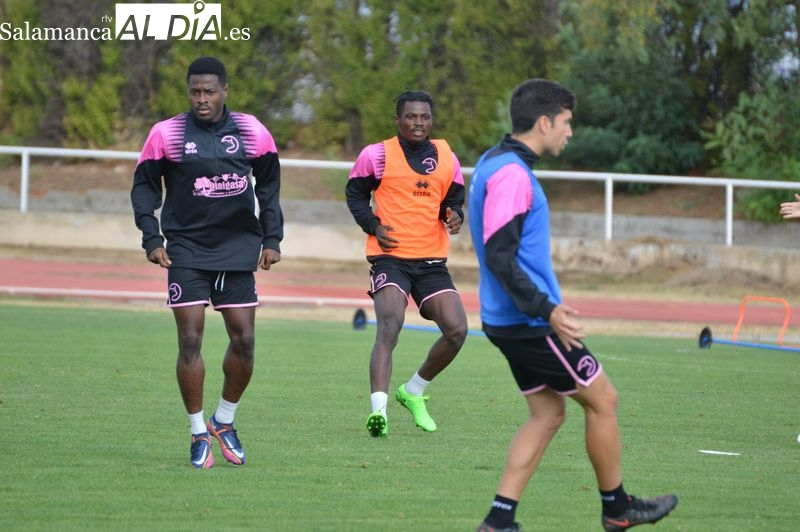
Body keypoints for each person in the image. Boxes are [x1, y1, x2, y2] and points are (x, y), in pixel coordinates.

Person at [468, 79, 678, 531]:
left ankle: (499, 520)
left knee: (548, 413)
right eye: (566, 122)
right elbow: (501, 257)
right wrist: (548, 310)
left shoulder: (493, 161)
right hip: (527, 321)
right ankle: (617, 510)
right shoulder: (511, 174)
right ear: (544, 122)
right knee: (604, 399)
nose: (569, 132)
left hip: (509, 319)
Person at [130, 56, 283, 469]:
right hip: (187, 251)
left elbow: (269, 184)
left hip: (238, 250)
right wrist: (152, 238)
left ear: (225, 91)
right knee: (190, 341)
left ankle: (225, 421)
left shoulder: (251, 131)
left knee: (245, 341)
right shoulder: (167, 133)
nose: (202, 99)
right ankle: (198, 431)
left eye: (209, 91)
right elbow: (144, 187)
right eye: (195, 91)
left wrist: (272, 237)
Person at [345, 90, 468, 438]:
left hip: (431, 261)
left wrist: (455, 215)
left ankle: (412, 391)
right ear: (397, 120)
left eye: (425, 117)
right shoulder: (377, 155)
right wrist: (373, 225)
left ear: (431, 120)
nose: (419, 122)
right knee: (390, 322)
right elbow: (354, 193)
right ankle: (379, 412)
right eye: (411, 116)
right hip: (391, 257)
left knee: (458, 330)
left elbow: (455, 199)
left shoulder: (446, 156)